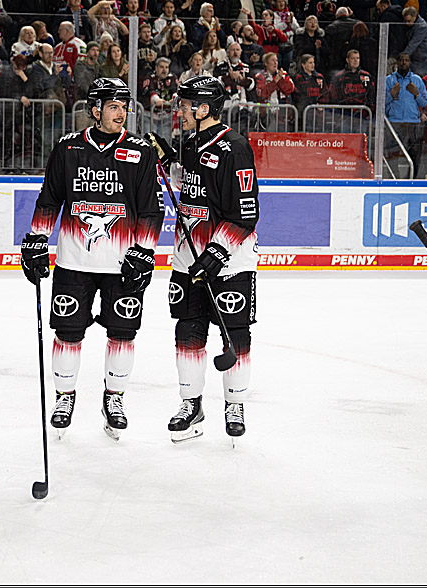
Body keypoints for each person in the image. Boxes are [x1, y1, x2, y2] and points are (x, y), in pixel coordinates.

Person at [19, 78, 162, 439]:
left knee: (123, 333)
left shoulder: (140, 151)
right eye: (114, 106)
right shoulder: (68, 149)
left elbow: (150, 209)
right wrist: (37, 239)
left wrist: (143, 251)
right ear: (95, 110)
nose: (122, 113)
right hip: (74, 261)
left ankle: (114, 398)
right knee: (67, 332)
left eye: (124, 106)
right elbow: (49, 200)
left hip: (121, 263)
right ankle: (64, 396)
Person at [147, 75, 259, 442]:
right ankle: (191, 404)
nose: (179, 109)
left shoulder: (236, 148)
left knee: (235, 334)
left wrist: (217, 252)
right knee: (187, 331)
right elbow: (194, 187)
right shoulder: (192, 142)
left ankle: (235, 403)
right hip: (186, 258)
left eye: (185, 104)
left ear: (204, 108)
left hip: (229, 263)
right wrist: (170, 162)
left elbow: (245, 212)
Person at [385, 53, 427, 177]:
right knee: (393, 154)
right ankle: (393, 179)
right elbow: (381, 102)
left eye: (407, 60)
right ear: (397, 63)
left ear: (410, 63)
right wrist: (392, 94)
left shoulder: (417, 80)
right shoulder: (389, 80)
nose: (404, 63)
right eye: (401, 60)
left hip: (413, 123)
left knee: (415, 154)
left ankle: (412, 180)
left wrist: (416, 94)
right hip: (394, 122)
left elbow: (424, 102)